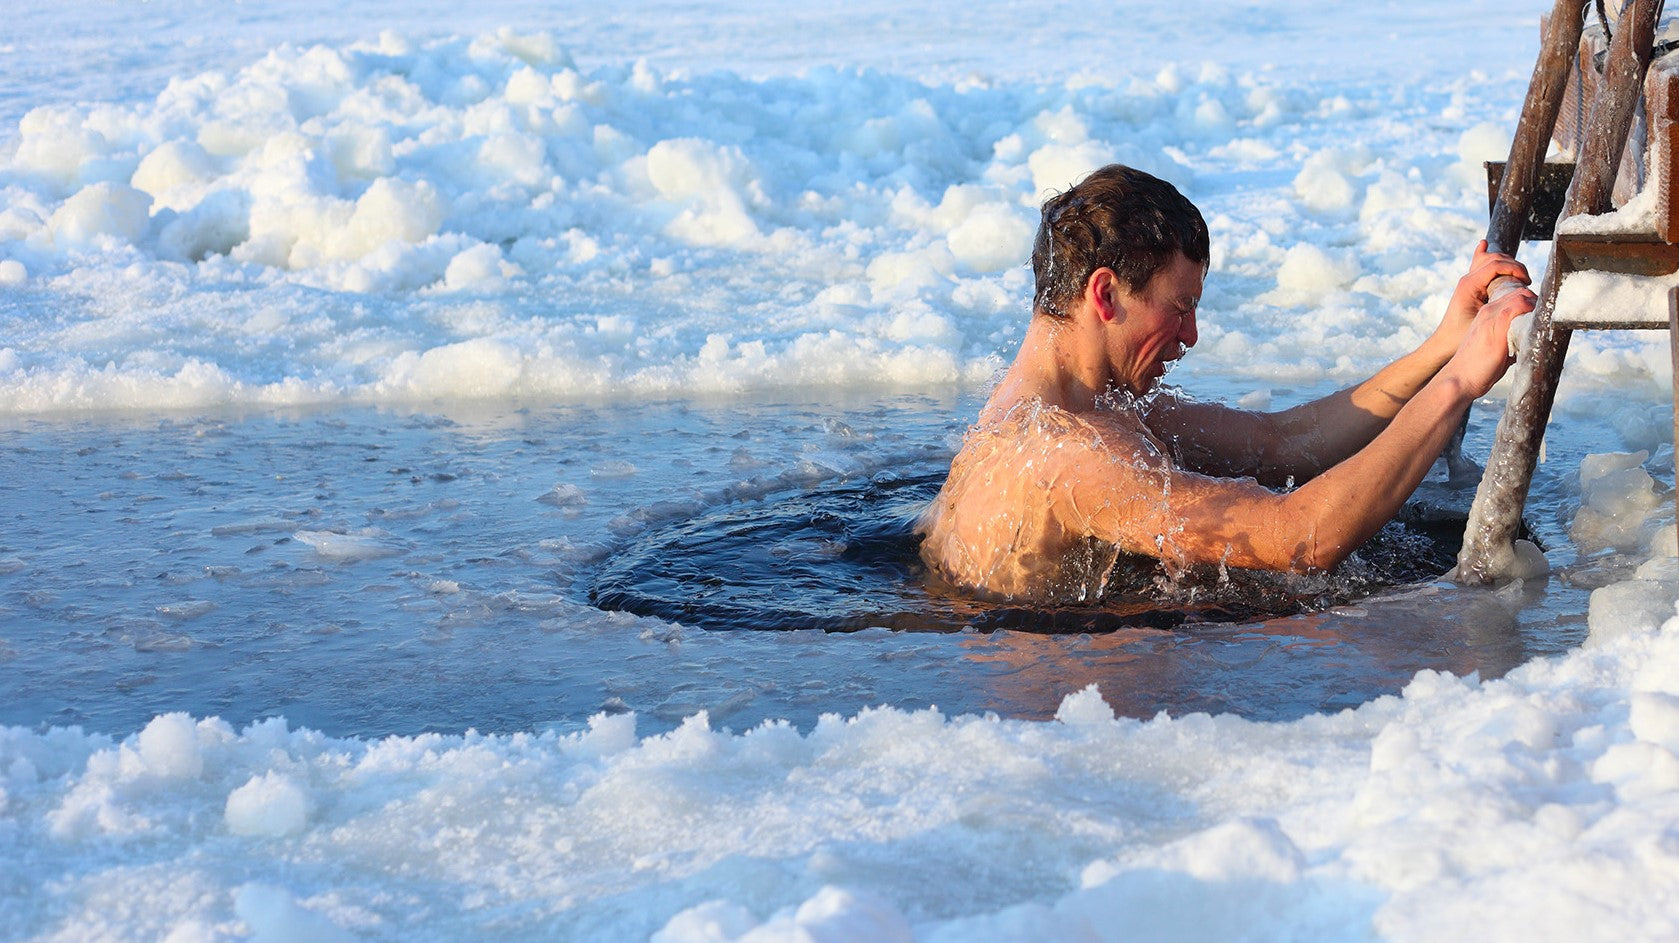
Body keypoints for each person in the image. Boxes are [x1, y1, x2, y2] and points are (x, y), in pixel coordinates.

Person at [917, 163, 1537, 604]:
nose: (1190, 336)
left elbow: (1281, 442)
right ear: (1105, 293)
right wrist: (1458, 384)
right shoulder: (1072, 456)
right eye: (1179, 307)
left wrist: (1444, 345)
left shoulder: (1070, 410)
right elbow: (1300, 539)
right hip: (1069, 705)